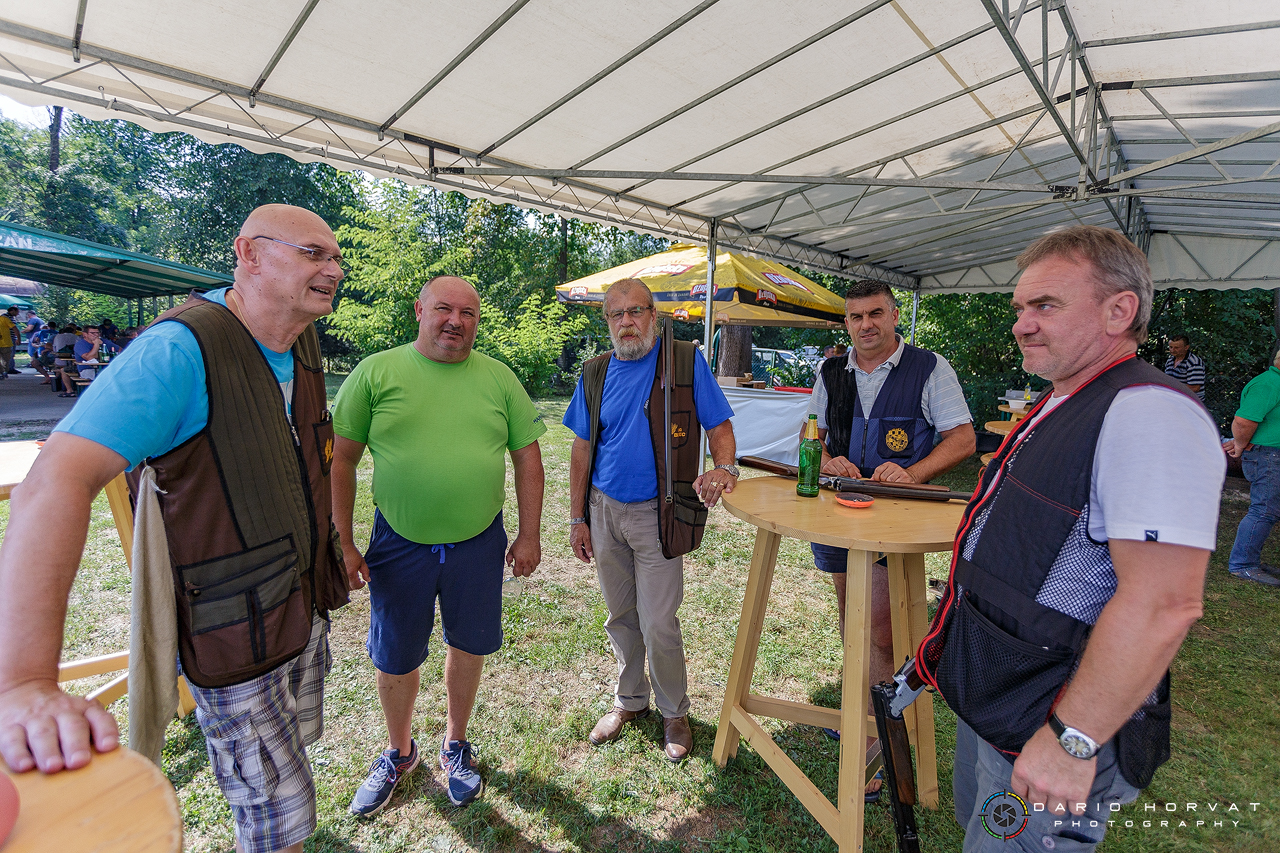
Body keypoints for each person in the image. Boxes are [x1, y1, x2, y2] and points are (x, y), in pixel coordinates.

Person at [0, 204, 351, 853]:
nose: (332, 269)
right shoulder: (177, 350)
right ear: (248, 254)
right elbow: (54, 480)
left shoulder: (298, 338)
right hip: (234, 637)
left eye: (335, 257)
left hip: (298, 611)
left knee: (287, 773)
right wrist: (23, 683)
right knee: (277, 826)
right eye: (312, 253)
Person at [915, 226, 1224, 852]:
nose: (1022, 325)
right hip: (1006, 697)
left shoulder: (1149, 413)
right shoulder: (1069, 397)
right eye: (1020, 309)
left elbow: (1163, 603)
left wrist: (1071, 739)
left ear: (1120, 310)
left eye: (1045, 306)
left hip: (1051, 716)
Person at [332, 275, 545, 814]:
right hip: (398, 542)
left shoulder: (499, 379)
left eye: (468, 313)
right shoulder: (376, 373)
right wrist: (344, 541)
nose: (456, 321)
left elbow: (528, 459)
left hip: (479, 541)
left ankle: (455, 745)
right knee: (396, 652)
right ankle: (399, 751)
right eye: (444, 309)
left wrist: (529, 533)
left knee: (469, 643)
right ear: (419, 311)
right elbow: (341, 461)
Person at [805, 279, 974, 796]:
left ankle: (879, 740)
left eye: (875, 314)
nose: (865, 325)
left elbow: (963, 438)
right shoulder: (831, 370)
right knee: (853, 618)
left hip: (896, 520)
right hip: (841, 515)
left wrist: (915, 472)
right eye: (855, 317)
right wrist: (827, 453)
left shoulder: (929, 367)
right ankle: (861, 710)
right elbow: (813, 432)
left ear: (895, 315)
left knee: (881, 630)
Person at [563, 278, 737, 762]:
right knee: (621, 616)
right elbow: (581, 447)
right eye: (616, 315)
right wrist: (577, 516)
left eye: (635, 311)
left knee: (659, 620)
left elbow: (719, 425)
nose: (626, 322)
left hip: (658, 513)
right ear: (607, 323)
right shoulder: (594, 373)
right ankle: (630, 700)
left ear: (654, 317)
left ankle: (674, 710)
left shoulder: (684, 362)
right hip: (603, 510)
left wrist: (723, 467)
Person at [1225, 350, 1280, 586]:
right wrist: (1239, 444)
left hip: (1269, 453)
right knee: (1264, 510)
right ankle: (1243, 564)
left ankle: (1249, 561)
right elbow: (1243, 421)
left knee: (1268, 509)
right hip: (1267, 455)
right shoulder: (1269, 383)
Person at [57, 324, 103, 397]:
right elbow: (89, 358)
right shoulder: (80, 344)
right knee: (63, 370)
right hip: (87, 368)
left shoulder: (105, 342)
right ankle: (70, 390)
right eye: (93, 333)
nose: (96, 335)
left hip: (104, 367)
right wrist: (97, 345)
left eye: (97, 333)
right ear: (85, 334)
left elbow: (120, 350)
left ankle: (69, 390)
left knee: (63, 370)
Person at [1164, 334, 1206, 402]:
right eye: (1171, 347)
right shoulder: (1170, 361)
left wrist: (1172, 388)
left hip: (1191, 403)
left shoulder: (1193, 362)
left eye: (1176, 348)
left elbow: (1195, 387)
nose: (1172, 350)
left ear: (1186, 347)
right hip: (1174, 400)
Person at [0, 306, 18, 378]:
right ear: (12, 310)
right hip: (7, 340)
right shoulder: (5, 318)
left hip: (8, 340)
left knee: (9, 356)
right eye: (17, 312)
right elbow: (14, 328)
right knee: (8, 356)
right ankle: (5, 370)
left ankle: (7, 370)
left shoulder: (8, 318)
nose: (18, 314)